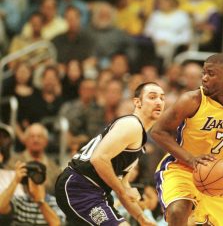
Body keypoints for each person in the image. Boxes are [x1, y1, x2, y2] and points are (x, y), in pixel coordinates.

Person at [151, 53, 223, 225]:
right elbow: (158, 131)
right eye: (203, 73)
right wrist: (191, 159)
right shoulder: (192, 100)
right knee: (178, 210)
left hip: (218, 178)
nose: (204, 78)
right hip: (182, 168)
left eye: (210, 74)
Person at [55, 82, 165, 226]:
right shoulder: (132, 125)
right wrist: (125, 192)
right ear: (137, 102)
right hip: (79, 186)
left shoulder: (138, 139)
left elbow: (123, 186)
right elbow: (98, 159)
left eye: (162, 98)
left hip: (95, 191)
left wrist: (141, 217)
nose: (159, 102)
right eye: (152, 97)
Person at [0, 161, 65, 225]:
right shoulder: (19, 202)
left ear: (44, 180)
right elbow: (1, 207)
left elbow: (57, 224)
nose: (34, 182)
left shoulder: (55, 202)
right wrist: (15, 180)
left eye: (38, 177)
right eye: (30, 178)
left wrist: (40, 201)